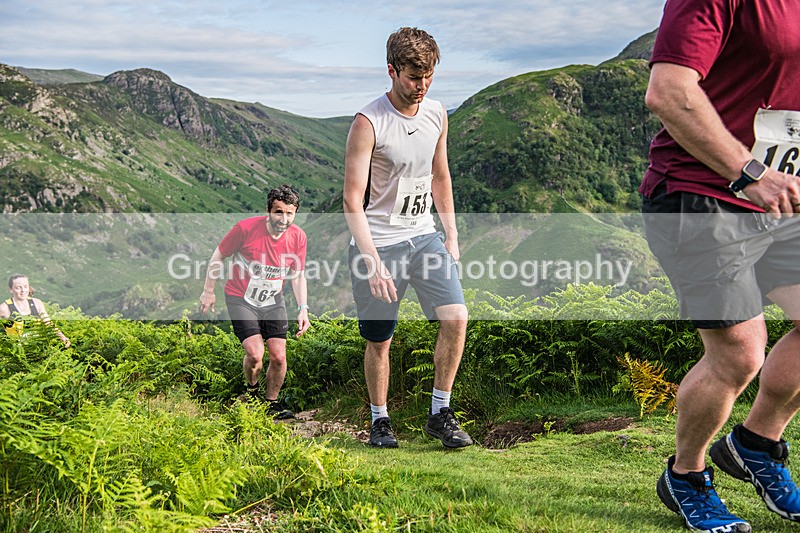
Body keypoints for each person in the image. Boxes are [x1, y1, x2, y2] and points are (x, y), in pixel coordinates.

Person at [640, 1, 800, 531]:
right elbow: (668, 91)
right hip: (702, 192)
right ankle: (685, 476)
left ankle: (756, 442)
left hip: (783, 200)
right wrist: (749, 171)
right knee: (738, 355)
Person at [343, 27, 472, 449]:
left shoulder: (437, 113)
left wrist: (450, 236)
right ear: (391, 71)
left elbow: (440, 176)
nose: (422, 86)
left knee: (456, 318)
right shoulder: (368, 122)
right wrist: (372, 261)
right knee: (381, 339)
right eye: (414, 77)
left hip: (424, 237)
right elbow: (351, 201)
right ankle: (380, 421)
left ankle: (440, 412)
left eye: (429, 76)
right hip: (378, 242)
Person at [200, 185, 310, 419]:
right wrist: (208, 291)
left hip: (272, 299)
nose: (284, 219)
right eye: (278, 212)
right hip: (241, 297)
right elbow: (219, 255)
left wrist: (303, 309)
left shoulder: (298, 237)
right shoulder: (245, 229)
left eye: (290, 213)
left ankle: (271, 404)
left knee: (279, 357)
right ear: (268, 210)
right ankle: (251, 392)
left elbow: (298, 274)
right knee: (255, 354)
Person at [0, 274, 70, 347]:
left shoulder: (37, 303)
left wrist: (62, 336)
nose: (23, 290)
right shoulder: (4, 308)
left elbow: (48, 323)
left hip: (39, 349)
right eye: (18, 288)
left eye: (25, 286)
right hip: (17, 353)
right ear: (11, 289)